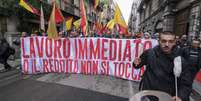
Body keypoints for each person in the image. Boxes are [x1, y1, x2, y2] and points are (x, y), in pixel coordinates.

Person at [133, 31, 193, 101]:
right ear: (159, 41)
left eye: (170, 41)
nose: (167, 44)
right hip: (148, 95)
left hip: (168, 97)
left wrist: (180, 96)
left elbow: (186, 83)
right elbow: (138, 65)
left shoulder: (180, 59)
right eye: (164, 41)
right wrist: (135, 63)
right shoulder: (149, 53)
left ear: (174, 42)